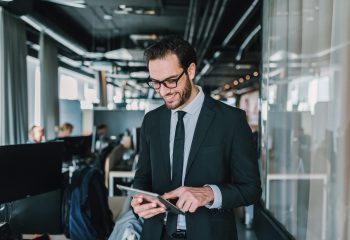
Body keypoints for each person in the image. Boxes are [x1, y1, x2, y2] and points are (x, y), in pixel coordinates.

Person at [131, 36, 261, 240]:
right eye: (156, 83)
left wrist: (209, 194)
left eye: (171, 81)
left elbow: (251, 189)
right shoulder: (151, 120)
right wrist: (139, 201)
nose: (164, 91)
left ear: (190, 71)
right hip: (157, 234)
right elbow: (142, 178)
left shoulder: (231, 120)